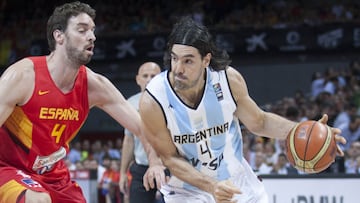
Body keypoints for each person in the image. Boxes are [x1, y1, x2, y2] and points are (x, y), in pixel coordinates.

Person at [139, 16, 347, 203]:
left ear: (206, 60)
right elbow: (170, 159)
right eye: (174, 58)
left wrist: (307, 131)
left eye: (188, 60)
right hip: (187, 191)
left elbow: (260, 122)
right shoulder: (154, 100)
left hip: (238, 181)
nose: (178, 69)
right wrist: (212, 187)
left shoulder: (228, 80)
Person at [0, 2, 165, 202]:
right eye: (82, 30)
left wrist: (155, 162)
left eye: (93, 31)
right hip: (8, 168)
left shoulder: (95, 86)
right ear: (59, 36)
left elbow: (142, 128)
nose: (92, 36)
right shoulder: (23, 76)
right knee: (39, 200)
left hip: (52, 175)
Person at [119, 62, 164, 203]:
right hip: (141, 168)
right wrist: (122, 173)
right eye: (145, 76)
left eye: (153, 76)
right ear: (138, 79)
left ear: (161, 78)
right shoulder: (130, 104)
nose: (149, 79)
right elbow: (129, 140)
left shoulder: (172, 101)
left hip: (168, 167)